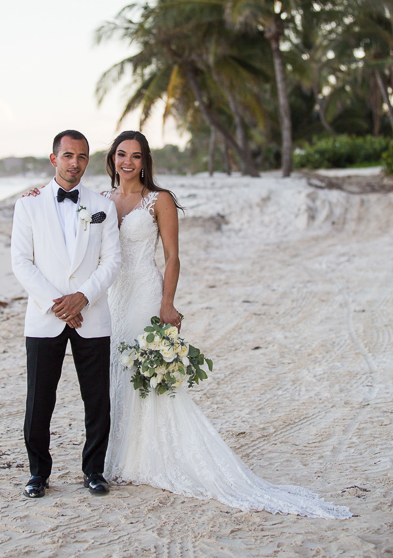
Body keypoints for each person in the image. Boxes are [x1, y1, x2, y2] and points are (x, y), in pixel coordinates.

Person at [24, 130, 352, 518]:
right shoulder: (101, 201)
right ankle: (121, 458)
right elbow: (76, 242)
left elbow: (172, 256)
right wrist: (39, 196)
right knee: (115, 379)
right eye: (122, 154)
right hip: (108, 299)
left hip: (143, 294)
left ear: (145, 161)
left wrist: (167, 304)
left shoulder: (159, 200)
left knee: (137, 377)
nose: (128, 161)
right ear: (111, 159)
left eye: (137, 155)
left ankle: (145, 456)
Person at [11, 129, 121, 499]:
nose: (76, 163)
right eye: (68, 155)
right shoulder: (28, 204)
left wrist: (83, 298)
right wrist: (59, 304)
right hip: (46, 316)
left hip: (92, 315)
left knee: (97, 400)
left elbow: (113, 261)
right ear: (54, 158)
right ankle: (38, 474)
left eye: (83, 156)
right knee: (39, 399)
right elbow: (21, 262)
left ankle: (94, 471)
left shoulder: (100, 203)